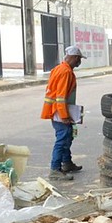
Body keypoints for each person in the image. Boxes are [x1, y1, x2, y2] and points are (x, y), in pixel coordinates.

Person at [41, 45, 86, 181]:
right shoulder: (65, 72)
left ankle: (67, 163)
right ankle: (55, 169)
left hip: (57, 110)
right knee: (62, 139)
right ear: (74, 58)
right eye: (79, 59)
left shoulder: (59, 69)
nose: (80, 62)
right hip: (60, 112)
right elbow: (61, 96)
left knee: (67, 137)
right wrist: (65, 116)